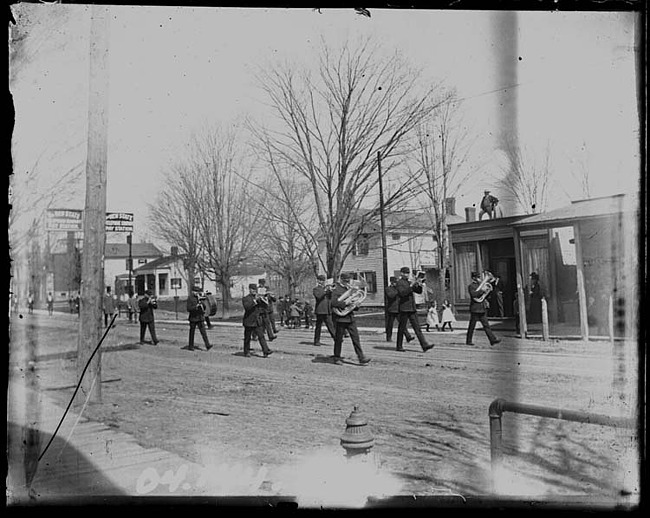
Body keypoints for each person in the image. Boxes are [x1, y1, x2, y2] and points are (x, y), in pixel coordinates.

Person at [330, 272, 370, 365]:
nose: (348, 282)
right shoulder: (336, 289)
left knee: (356, 338)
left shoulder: (350, 289)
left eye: (349, 280)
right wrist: (346, 303)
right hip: (340, 318)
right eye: (345, 281)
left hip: (350, 317)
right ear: (341, 279)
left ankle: (361, 357)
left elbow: (353, 302)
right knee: (339, 339)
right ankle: (337, 357)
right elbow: (333, 303)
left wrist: (356, 305)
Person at [396, 267, 434, 352]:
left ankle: (424, 345)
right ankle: (399, 346)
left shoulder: (409, 282)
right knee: (402, 328)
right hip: (404, 308)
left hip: (412, 308)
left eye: (408, 273)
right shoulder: (399, 283)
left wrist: (419, 284)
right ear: (401, 273)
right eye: (405, 273)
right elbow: (402, 293)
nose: (407, 274)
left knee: (417, 327)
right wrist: (411, 286)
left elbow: (418, 291)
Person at [466, 271, 501, 346]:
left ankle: (492, 340)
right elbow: (473, 294)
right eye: (477, 277)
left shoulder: (482, 285)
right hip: (475, 308)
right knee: (472, 326)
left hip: (481, 308)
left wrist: (488, 291)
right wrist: (482, 290)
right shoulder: (471, 286)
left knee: (486, 325)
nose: (479, 279)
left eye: (479, 277)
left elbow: (485, 296)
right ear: (473, 278)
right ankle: (468, 341)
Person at [242, 283, 273, 358]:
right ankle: (246, 351)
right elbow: (247, 307)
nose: (254, 291)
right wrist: (255, 301)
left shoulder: (258, 298)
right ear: (249, 290)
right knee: (247, 338)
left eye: (255, 290)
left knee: (261, 336)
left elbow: (264, 307)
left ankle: (266, 351)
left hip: (257, 321)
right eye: (252, 289)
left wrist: (265, 300)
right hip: (249, 321)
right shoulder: (246, 298)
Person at [385, 276, 413, 343]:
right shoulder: (388, 289)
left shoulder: (397, 288)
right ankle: (389, 337)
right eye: (395, 282)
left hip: (398, 309)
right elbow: (391, 296)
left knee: (402, 323)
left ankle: (408, 336)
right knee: (390, 325)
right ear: (391, 282)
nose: (396, 284)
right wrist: (398, 291)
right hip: (391, 309)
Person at [186, 285, 213, 351]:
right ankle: (190, 346)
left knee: (203, 332)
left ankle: (207, 345)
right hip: (193, 318)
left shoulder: (200, 298)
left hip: (200, 317)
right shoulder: (190, 298)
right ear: (193, 292)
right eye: (196, 291)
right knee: (192, 332)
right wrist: (196, 307)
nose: (197, 293)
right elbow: (188, 308)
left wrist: (202, 304)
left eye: (198, 291)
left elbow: (204, 307)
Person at [313, 274, 336, 346]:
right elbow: (319, 297)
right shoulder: (316, 289)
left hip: (327, 310)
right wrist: (325, 291)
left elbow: (330, 298)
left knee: (330, 325)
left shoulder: (326, 289)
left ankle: (336, 339)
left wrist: (331, 291)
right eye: (321, 280)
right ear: (318, 281)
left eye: (323, 280)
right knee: (318, 327)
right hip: (320, 310)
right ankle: (316, 341)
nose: (323, 282)